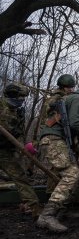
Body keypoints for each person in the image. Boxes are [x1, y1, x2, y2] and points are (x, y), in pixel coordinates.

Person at [36, 78, 79, 232]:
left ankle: (62, 211)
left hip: (55, 139)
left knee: (78, 176)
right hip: (53, 139)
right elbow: (75, 123)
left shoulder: (78, 99)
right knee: (72, 174)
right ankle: (47, 216)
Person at [0, 83, 41, 218]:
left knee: (20, 177)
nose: (22, 101)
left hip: (6, 151)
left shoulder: (17, 111)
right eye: (20, 98)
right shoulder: (2, 107)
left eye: (23, 98)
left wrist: (25, 146)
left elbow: (19, 133)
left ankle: (34, 208)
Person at [39, 74, 76, 194]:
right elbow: (46, 118)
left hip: (60, 134)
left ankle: (52, 193)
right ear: (62, 87)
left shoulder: (66, 98)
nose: (71, 89)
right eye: (68, 87)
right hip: (54, 135)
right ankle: (52, 195)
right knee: (63, 168)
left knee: (57, 168)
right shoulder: (55, 99)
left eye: (72, 87)